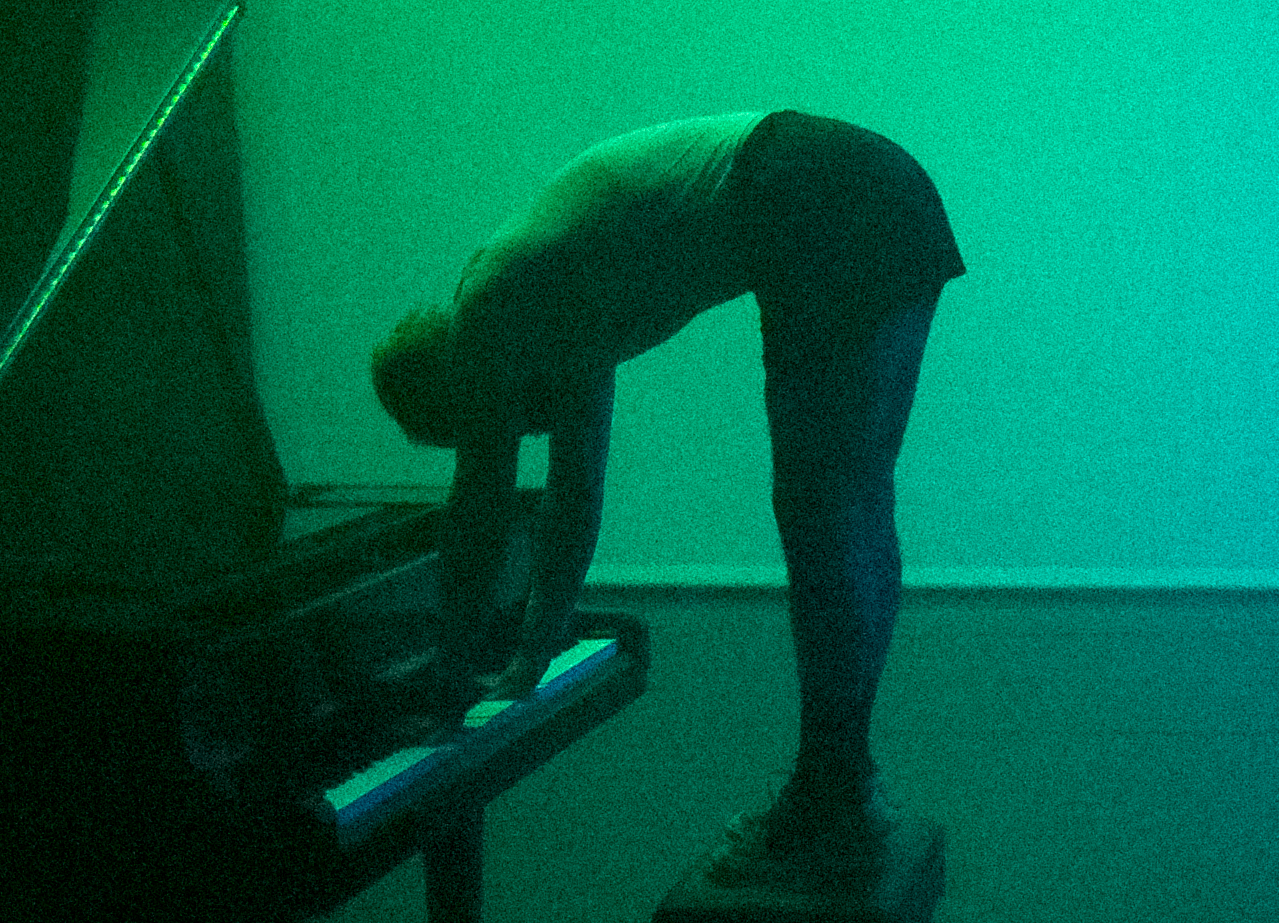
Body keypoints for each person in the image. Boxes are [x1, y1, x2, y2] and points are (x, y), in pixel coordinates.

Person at [369, 110, 962, 880]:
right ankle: (847, 786)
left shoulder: (492, 305)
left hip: (806, 189)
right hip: (884, 182)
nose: (526, 431)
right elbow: (574, 497)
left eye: (491, 420)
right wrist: (532, 653)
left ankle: (832, 794)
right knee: (853, 502)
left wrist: (449, 677)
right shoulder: (560, 308)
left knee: (822, 511)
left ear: (461, 385)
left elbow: (480, 512)